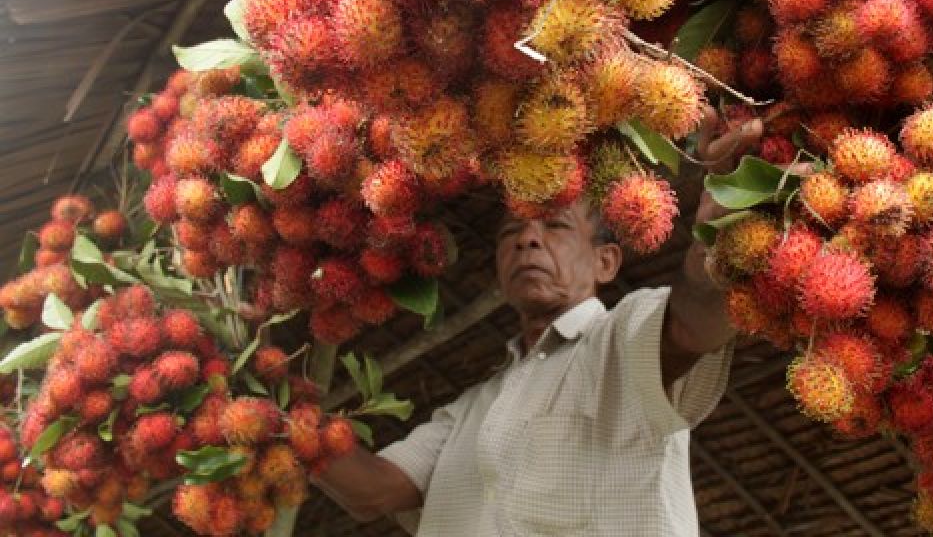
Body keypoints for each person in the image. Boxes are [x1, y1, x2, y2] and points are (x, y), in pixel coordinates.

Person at [314, 109, 764, 536]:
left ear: (605, 262)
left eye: (555, 226)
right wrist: (277, 420)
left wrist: (718, 246)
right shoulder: (470, 409)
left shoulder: (621, 345)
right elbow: (371, 492)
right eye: (512, 232)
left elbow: (693, 327)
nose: (528, 238)